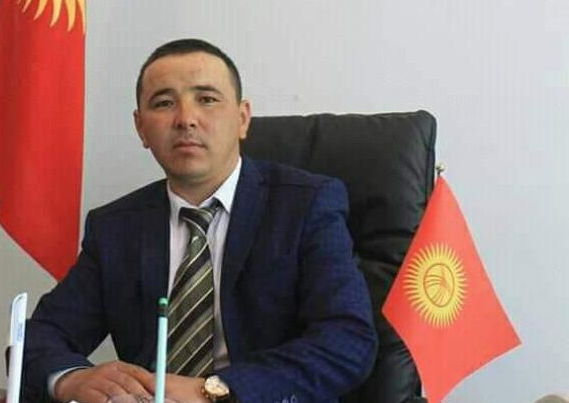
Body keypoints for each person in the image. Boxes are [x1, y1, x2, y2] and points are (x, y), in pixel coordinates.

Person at [22, 38, 377, 403]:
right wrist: (72, 379)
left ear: (242, 119)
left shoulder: (305, 205)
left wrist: (215, 390)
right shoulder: (115, 228)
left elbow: (347, 340)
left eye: (206, 99)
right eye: (164, 103)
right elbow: (38, 336)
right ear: (141, 128)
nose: (186, 119)